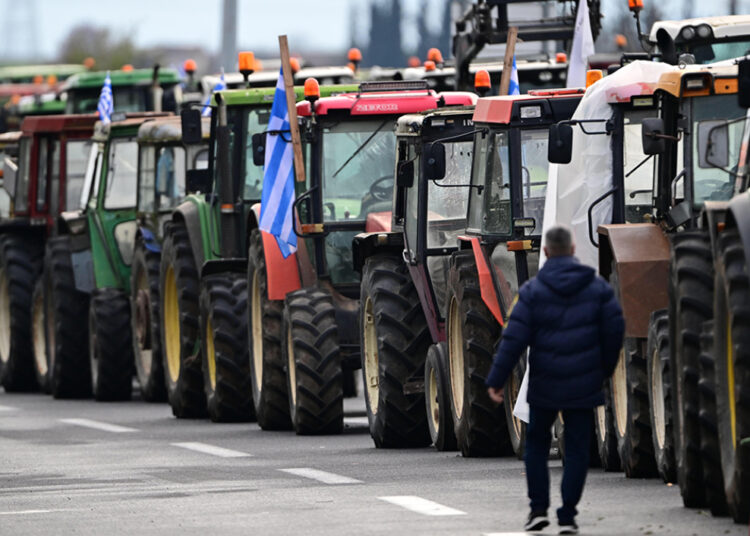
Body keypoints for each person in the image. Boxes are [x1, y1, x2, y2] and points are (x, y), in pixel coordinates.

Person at [485, 225, 624, 535]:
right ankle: (568, 515)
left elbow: (513, 339)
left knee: (536, 445)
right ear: (573, 250)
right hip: (583, 383)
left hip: (545, 384)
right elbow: (615, 331)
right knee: (576, 449)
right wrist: (604, 370)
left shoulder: (531, 292)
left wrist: (496, 379)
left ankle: (538, 510)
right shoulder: (598, 288)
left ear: (546, 252)